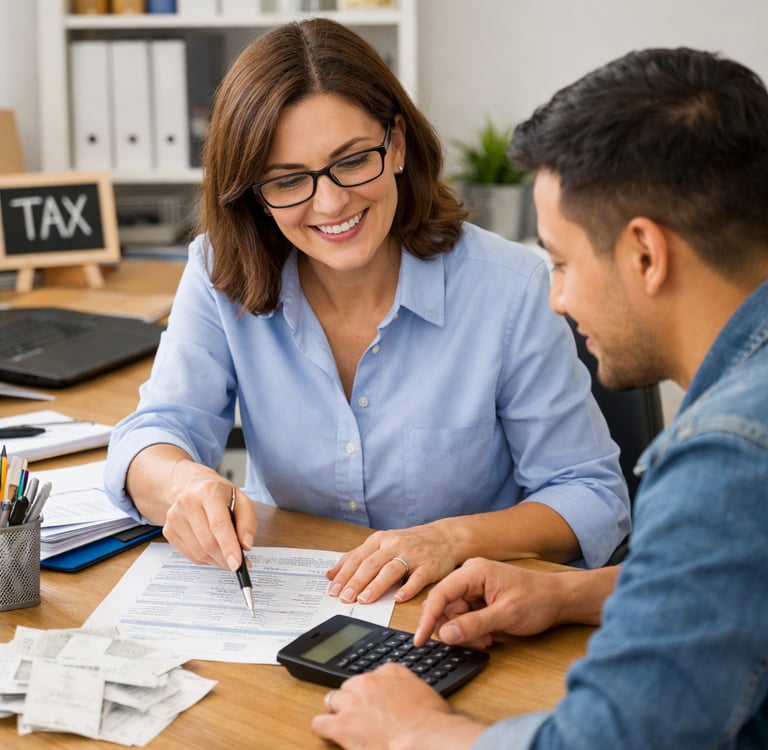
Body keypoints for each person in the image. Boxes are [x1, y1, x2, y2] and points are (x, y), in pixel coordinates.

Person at [311, 46, 768, 749]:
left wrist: (420, 730)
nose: (555, 299)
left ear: (645, 255)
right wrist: (574, 592)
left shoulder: (727, 459)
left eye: (560, 261)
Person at [104, 18, 629, 606]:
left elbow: (590, 495)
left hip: (450, 612)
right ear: (255, 194)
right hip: (285, 608)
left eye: (353, 161)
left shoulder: (507, 287)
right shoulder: (219, 271)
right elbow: (149, 436)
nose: (331, 203)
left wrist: (451, 539)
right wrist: (183, 482)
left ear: (396, 144)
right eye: (288, 180)